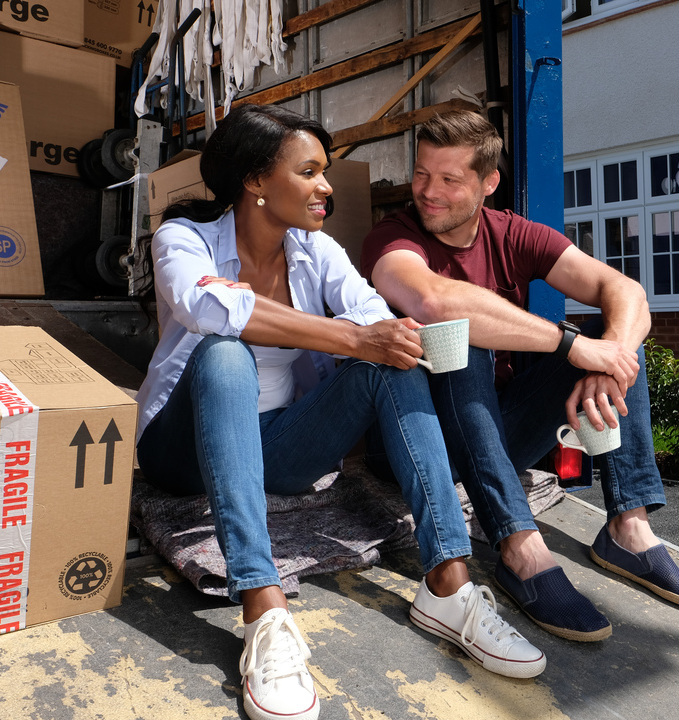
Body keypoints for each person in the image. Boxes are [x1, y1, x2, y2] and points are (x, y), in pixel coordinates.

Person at [135, 105, 545, 720]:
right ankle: (264, 607)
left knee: (389, 361)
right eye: (309, 172)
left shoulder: (315, 251)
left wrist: (395, 338)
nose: (327, 186)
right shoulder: (184, 239)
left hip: (280, 446)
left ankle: (449, 583)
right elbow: (211, 310)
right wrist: (354, 338)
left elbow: (373, 314)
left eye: (325, 171)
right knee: (224, 355)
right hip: (182, 449)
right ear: (255, 181)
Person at [361, 110, 679, 643]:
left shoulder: (511, 234)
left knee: (617, 337)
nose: (428, 192)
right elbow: (432, 300)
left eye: (449, 179)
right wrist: (572, 346)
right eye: (421, 174)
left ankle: (629, 527)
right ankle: (519, 546)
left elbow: (628, 291)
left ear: (488, 183)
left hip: (495, 432)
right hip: (415, 441)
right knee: (463, 336)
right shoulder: (393, 236)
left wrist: (607, 355)